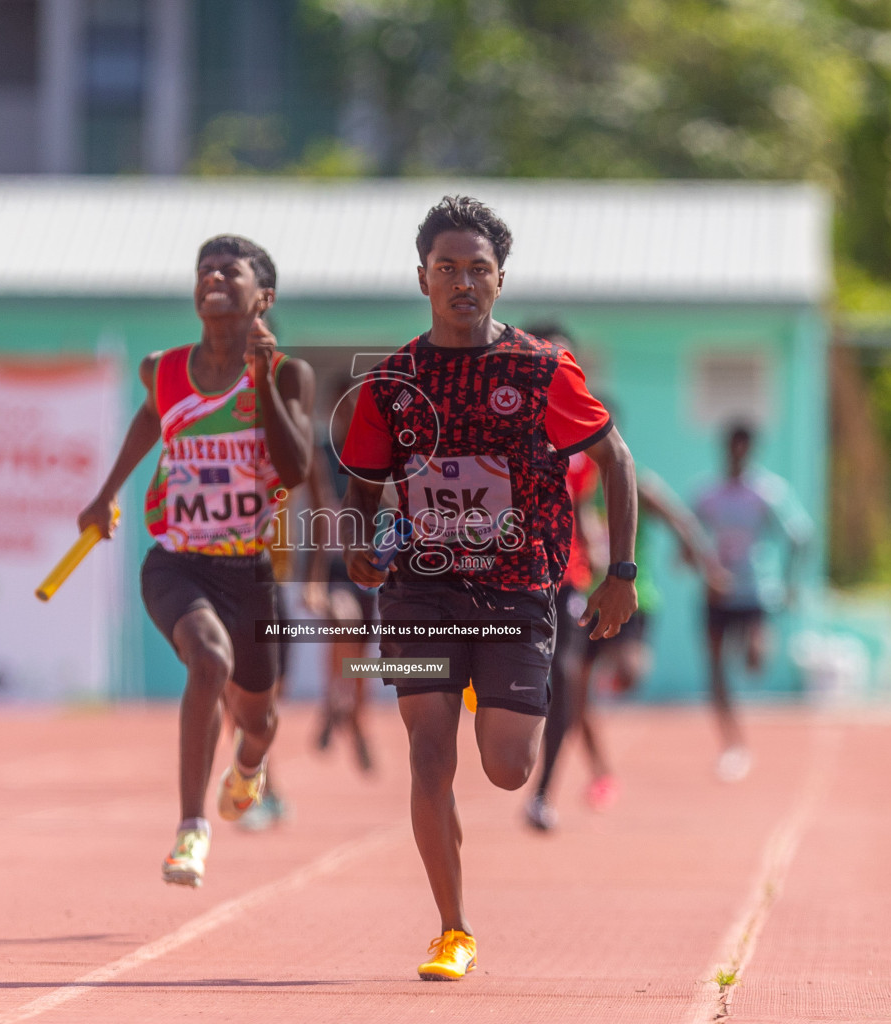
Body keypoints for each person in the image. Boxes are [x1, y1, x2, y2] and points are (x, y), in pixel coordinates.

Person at [339, 196, 638, 981]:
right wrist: (355, 544)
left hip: (516, 592)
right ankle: (452, 929)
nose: (462, 282)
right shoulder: (393, 382)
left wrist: (622, 574)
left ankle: (487, 691)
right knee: (428, 754)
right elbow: (363, 485)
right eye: (447, 269)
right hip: (419, 593)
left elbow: (618, 462)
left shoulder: (541, 370)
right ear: (422, 279)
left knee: (507, 766)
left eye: (477, 269)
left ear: (500, 279)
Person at [77, 235, 314, 885]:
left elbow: (294, 468)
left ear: (262, 297)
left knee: (260, 722)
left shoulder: (289, 374)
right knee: (208, 660)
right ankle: (190, 831)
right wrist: (104, 495)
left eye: (228, 270)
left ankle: (248, 769)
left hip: (250, 571)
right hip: (177, 561)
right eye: (203, 269)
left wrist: (263, 380)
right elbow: (151, 418)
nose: (211, 275)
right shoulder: (163, 367)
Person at [525, 458, 725, 829]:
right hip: (586, 597)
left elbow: (680, 519)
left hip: (633, 599)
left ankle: (609, 679)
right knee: (573, 697)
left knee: (630, 672)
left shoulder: (637, 484)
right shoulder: (572, 481)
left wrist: (705, 565)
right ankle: (600, 774)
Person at [694, 421, 811, 783]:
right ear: (726, 449)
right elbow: (688, 534)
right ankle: (732, 742)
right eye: (733, 447)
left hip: (755, 590)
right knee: (715, 670)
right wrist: (702, 565)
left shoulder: (766, 492)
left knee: (756, 658)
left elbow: (800, 536)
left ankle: (756, 642)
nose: (738, 454)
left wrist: (790, 584)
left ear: (752, 450)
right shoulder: (709, 494)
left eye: (745, 448)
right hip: (718, 593)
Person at [301, 375, 377, 775]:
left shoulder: (378, 453)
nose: (347, 416)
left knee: (361, 651)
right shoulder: (322, 455)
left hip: (370, 567)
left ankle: (350, 714)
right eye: (341, 409)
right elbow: (316, 516)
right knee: (341, 624)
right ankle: (335, 703)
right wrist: (311, 579)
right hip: (333, 565)